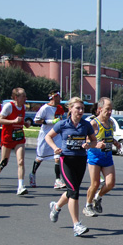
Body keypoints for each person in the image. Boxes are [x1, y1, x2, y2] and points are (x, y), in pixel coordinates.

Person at [46, 97, 97, 237]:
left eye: (82, 109)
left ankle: (56, 207)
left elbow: (94, 141)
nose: (80, 111)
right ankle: (76, 225)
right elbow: (48, 137)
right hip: (66, 160)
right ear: (70, 109)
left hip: (80, 160)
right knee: (74, 191)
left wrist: (89, 145)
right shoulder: (63, 124)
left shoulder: (86, 125)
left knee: (71, 192)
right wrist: (55, 148)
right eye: (77, 108)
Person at [83, 97, 120, 218]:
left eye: (111, 109)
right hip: (95, 157)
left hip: (107, 157)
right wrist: (96, 144)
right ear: (99, 109)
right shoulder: (94, 123)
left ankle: (97, 197)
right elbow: (88, 141)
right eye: (107, 109)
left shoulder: (110, 123)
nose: (110, 112)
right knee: (95, 183)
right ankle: (87, 206)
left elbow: (108, 137)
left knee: (110, 183)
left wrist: (115, 142)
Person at [0, 87, 30, 195]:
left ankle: (21, 186)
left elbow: (20, 119)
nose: (25, 98)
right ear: (16, 97)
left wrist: (25, 123)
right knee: (4, 161)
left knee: (21, 161)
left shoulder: (23, 107)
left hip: (19, 137)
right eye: (23, 96)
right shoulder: (9, 106)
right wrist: (13, 121)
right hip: (8, 137)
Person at [30, 91, 66, 189]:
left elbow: (61, 119)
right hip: (45, 135)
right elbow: (36, 120)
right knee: (40, 157)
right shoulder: (45, 108)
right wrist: (50, 121)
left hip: (56, 134)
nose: (60, 99)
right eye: (58, 97)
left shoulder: (60, 108)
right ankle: (32, 174)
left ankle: (57, 180)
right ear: (53, 98)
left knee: (57, 156)